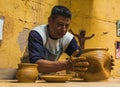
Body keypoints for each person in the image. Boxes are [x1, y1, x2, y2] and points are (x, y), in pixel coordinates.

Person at [28, 5, 89, 74]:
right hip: (31, 76)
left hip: (49, 77)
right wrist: (66, 64)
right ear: (50, 21)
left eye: (67, 25)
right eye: (60, 24)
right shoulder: (37, 34)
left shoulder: (68, 38)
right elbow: (36, 65)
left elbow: (82, 59)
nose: (64, 29)